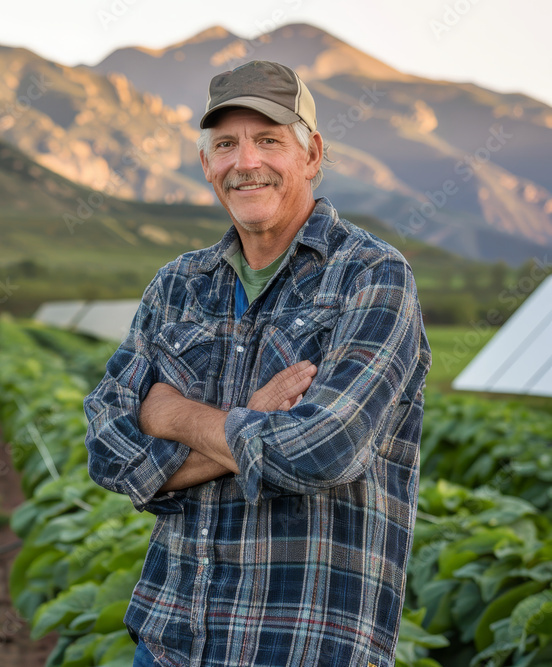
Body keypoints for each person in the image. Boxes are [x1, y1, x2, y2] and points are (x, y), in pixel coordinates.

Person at [83, 60, 431, 667]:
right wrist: (253, 421)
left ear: (312, 154)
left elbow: (324, 452)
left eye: (269, 139)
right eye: (225, 145)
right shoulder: (179, 285)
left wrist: (174, 415)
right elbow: (107, 448)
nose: (245, 162)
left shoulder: (372, 277)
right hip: (169, 642)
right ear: (206, 165)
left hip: (299, 646)